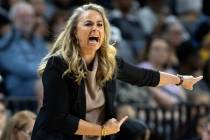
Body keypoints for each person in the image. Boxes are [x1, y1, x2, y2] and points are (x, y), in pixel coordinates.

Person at [31, 3, 203, 140]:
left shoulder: (108, 62)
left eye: (100, 25)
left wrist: (181, 80)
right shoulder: (58, 64)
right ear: (75, 32)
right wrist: (102, 130)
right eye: (88, 24)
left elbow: (144, 76)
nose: (95, 29)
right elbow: (60, 119)